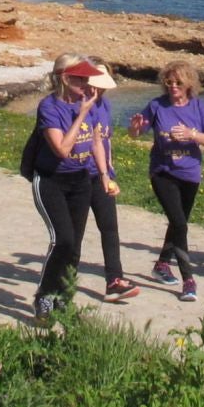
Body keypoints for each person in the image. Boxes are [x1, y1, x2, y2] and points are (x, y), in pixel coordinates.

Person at [29, 57, 115, 322]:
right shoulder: (49, 107)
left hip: (80, 181)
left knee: (74, 246)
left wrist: (103, 175)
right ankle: (43, 297)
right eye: (81, 78)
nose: (87, 84)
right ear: (66, 78)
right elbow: (63, 150)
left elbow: (97, 142)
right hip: (51, 180)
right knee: (63, 240)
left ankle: (63, 299)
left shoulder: (89, 103)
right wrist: (81, 114)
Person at [128, 61, 204, 303]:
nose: (173, 87)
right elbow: (137, 131)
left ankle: (161, 264)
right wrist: (135, 129)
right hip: (163, 172)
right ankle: (189, 279)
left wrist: (192, 135)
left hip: (190, 173)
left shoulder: (199, 107)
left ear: (189, 84)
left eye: (178, 83)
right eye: (169, 82)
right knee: (180, 223)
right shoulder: (157, 105)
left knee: (178, 223)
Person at [80, 55, 138, 304]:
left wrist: (109, 166)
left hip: (101, 176)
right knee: (74, 232)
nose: (99, 88)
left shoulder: (104, 105)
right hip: (81, 174)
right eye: (95, 82)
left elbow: (105, 138)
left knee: (110, 228)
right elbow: (90, 141)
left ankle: (114, 280)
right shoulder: (81, 104)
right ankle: (64, 279)